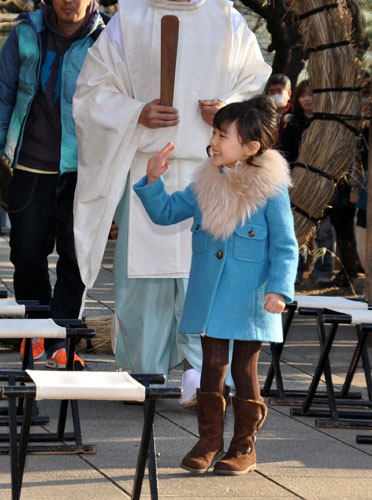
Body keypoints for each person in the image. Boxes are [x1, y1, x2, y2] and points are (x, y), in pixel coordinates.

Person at [72, 0, 272, 399]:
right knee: (146, 284)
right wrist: (135, 112)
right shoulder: (129, 20)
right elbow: (92, 90)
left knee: (208, 276)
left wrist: (229, 109)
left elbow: (255, 83)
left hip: (211, 167)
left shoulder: (227, 20)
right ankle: (142, 373)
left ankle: (205, 379)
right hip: (150, 167)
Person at [133, 97, 298, 475]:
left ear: (251, 147)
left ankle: (243, 446)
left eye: (224, 134)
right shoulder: (206, 181)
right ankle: (208, 441)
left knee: (244, 369)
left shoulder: (271, 189)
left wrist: (279, 289)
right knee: (211, 364)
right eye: (215, 133)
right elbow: (166, 212)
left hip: (251, 297)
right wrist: (153, 181)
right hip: (210, 297)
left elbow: (285, 246)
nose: (215, 141)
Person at [0, 0, 104, 368]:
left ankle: (63, 340)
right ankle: (36, 332)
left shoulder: (106, 40)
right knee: (26, 255)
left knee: (76, 258)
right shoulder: (25, 33)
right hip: (29, 165)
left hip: (85, 168)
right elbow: (3, 96)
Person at [280, 79, 335, 287]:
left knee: (324, 232)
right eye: (303, 95)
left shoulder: (327, 124)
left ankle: (323, 272)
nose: (307, 99)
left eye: (312, 94)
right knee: (296, 230)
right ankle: (295, 272)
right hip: (297, 184)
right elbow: (285, 154)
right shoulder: (293, 123)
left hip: (323, 185)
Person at [265, 73, 292, 144]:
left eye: (279, 91)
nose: (275, 95)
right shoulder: (262, 115)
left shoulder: (296, 114)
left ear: (289, 94)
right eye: (272, 92)